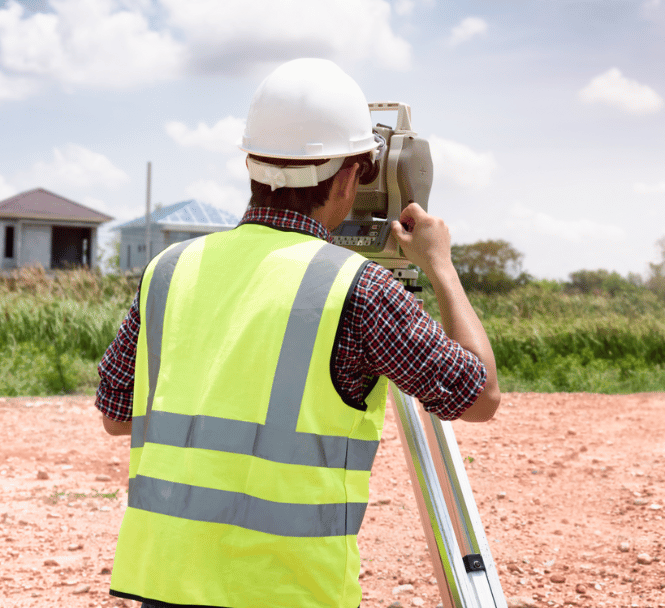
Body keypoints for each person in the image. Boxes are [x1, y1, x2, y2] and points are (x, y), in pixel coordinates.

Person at [94, 58, 500, 608]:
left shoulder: (168, 268)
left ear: (252, 163)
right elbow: (477, 397)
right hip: (286, 590)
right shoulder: (356, 288)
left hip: (166, 581)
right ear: (354, 173)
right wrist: (441, 268)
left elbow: (118, 417)